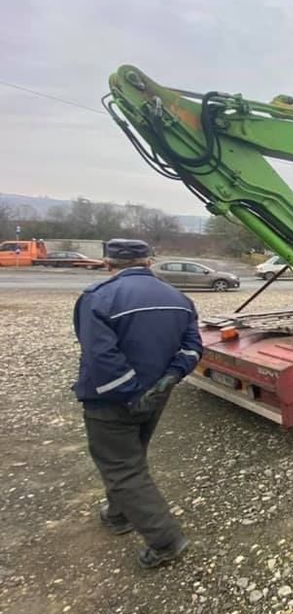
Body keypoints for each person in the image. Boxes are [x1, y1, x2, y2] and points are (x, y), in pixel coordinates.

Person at [72, 239, 202, 569]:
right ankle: (118, 515)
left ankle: (166, 542)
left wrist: (129, 392)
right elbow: (191, 349)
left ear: (107, 262)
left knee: (122, 468)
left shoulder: (97, 298)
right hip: (155, 397)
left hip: (110, 401)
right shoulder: (179, 299)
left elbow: (100, 356)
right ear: (150, 261)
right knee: (129, 461)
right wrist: (167, 381)